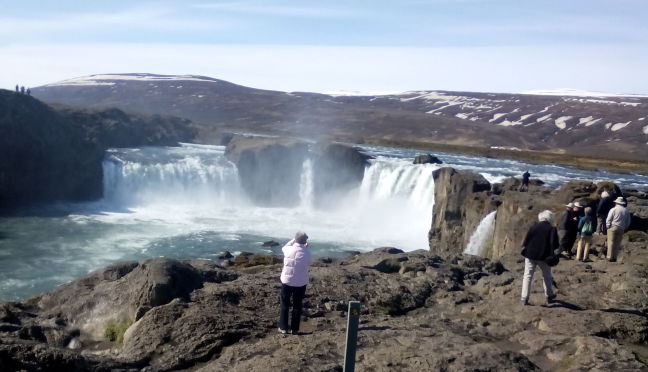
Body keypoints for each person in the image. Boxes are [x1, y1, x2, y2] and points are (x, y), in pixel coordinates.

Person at [520, 210, 559, 306]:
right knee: (547, 275)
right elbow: (555, 244)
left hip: (530, 255)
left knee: (527, 275)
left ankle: (524, 298)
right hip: (544, 257)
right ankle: (549, 295)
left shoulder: (533, 227)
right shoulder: (551, 229)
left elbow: (525, 241)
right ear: (549, 218)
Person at [278, 232, 313, 334]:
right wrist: (306, 248)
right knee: (297, 305)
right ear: (305, 241)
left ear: (295, 239)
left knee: (285, 304)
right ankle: (295, 329)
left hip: (287, 281)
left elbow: (285, 246)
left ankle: (283, 327)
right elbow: (310, 262)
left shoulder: (288, 249)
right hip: (300, 283)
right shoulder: (306, 253)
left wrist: (294, 240)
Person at [606, 197, 631, 262]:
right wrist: (625, 227)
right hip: (621, 228)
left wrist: (608, 226)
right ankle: (614, 257)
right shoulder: (626, 211)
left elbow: (609, 219)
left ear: (616, 203)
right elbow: (628, 221)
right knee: (617, 243)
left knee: (611, 242)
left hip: (613, 226)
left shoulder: (613, 209)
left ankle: (609, 257)